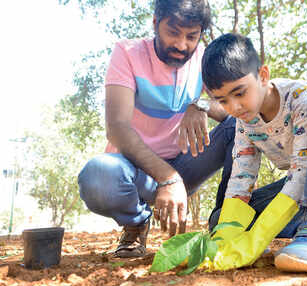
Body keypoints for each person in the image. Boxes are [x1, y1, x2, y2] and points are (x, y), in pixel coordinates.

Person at [201, 33, 307, 273]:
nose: (234, 107)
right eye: (223, 101)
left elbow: (303, 174)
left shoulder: (298, 100)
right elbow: (241, 179)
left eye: (240, 93)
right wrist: (227, 235)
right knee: (220, 219)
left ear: (263, 76)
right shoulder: (244, 121)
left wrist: (258, 236)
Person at [78, 0, 235, 258]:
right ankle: (136, 222)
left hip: (188, 165)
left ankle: (226, 222)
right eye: (173, 32)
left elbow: (234, 107)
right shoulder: (127, 53)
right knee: (98, 175)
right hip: (138, 172)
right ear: (155, 24)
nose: (182, 45)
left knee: (238, 125)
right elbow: (116, 127)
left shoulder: (204, 58)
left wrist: (201, 104)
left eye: (191, 36)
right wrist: (167, 178)